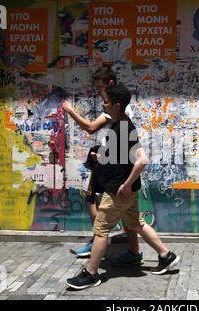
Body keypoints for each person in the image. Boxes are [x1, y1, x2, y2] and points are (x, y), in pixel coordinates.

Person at [66, 83, 180, 290]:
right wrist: (100, 155)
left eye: (106, 101)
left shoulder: (124, 128)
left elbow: (142, 159)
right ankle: (166, 256)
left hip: (118, 190)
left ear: (117, 105)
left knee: (101, 229)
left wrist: (126, 184)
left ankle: (91, 273)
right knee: (136, 223)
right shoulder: (120, 125)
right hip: (125, 189)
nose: (102, 104)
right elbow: (123, 156)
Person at [61, 68, 143, 266]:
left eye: (101, 88)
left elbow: (90, 128)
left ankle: (98, 241)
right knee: (129, 215)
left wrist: (71, 112)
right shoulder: (114, 106)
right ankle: (135, 250)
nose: (98, 92)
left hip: (112, 167)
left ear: (111, 85)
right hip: (107, 159)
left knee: (93, 201)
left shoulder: (114, 107)